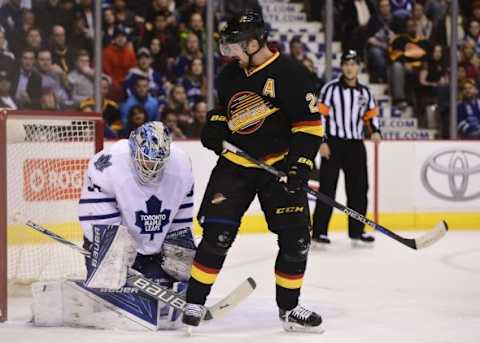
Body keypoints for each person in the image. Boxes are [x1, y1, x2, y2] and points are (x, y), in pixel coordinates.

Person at [181, 11, 324, 332]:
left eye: (233, 44)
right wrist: (215, 127)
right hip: (236, 165)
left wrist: (300, 164)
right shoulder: (229, 75)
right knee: (217, 235)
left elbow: (309, 126)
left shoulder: (291, 73)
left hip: (278, 167)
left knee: (296, 239)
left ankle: (290, 309)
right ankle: (194, 300)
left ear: (254, 43)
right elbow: (224, 110)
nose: (228, 51)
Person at [74, 121, 195, 330]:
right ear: (134, 150)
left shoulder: (181, 165)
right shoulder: (107, 164)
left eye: (158, 162)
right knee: (109, 285)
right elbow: (96, 219)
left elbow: (181, 219)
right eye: (146, 159)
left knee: (170, 281)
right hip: (117, 243)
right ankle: (106, 282)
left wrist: (179, 255)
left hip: (153, 247)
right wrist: (117, 258)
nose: (152, 167)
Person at [312, 50, 381, 248]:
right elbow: (320, 117)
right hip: (333, 144)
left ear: (358, 67)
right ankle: (319, 232)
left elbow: (371, 115)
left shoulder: (365, 92)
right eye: (346, 64)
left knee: (359, 190)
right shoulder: (330, 89)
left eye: (353, 64)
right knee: (327, 189)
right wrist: (322, 142)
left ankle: (357, 232)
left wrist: (375, 131)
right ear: (341, 66)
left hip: (355, 146)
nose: (350, 68)